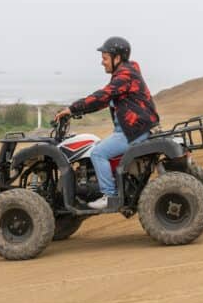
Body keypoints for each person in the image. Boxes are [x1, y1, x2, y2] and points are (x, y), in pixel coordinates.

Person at [54, 37, 160, 210]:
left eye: (104, 58)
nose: (102, 62)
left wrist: (72, 109)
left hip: (132, 130)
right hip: (135, 128)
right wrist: (77, 110)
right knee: (99, 147)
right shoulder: (125, 74)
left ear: (116, 58)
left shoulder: (124, 75)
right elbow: (103, 101)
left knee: (97, 153)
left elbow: (103, 95)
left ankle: (110, 196)